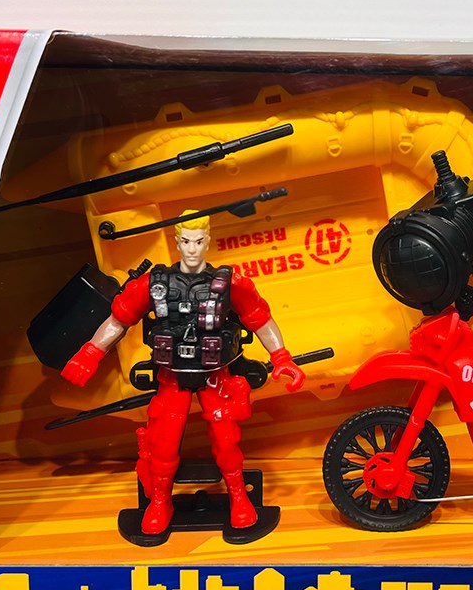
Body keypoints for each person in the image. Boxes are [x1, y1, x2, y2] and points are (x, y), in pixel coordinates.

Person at [62, 214, 304, 535]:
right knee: (164, 441)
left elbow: (259, 319)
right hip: (172, 376)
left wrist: (282, 356)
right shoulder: (154, 284)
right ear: (177, 242)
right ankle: (160, 502)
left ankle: (238, 497)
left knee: (226, 440)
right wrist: (90, 353)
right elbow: (119, 320)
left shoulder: (231, 284)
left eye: (199, 241)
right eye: (186, 241)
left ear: (208, 241)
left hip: (215, 374)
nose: (192, 249)